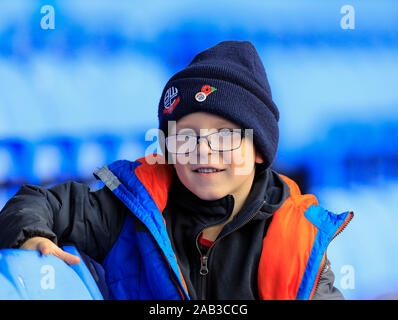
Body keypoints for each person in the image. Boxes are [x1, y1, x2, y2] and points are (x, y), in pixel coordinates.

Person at [0, 40, 353, 300]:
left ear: (259, 150)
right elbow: (39, 200)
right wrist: (32, 235)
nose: (204, 150)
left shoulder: (301, 241)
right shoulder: (129, 207)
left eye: (226, 136)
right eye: (186, 136)